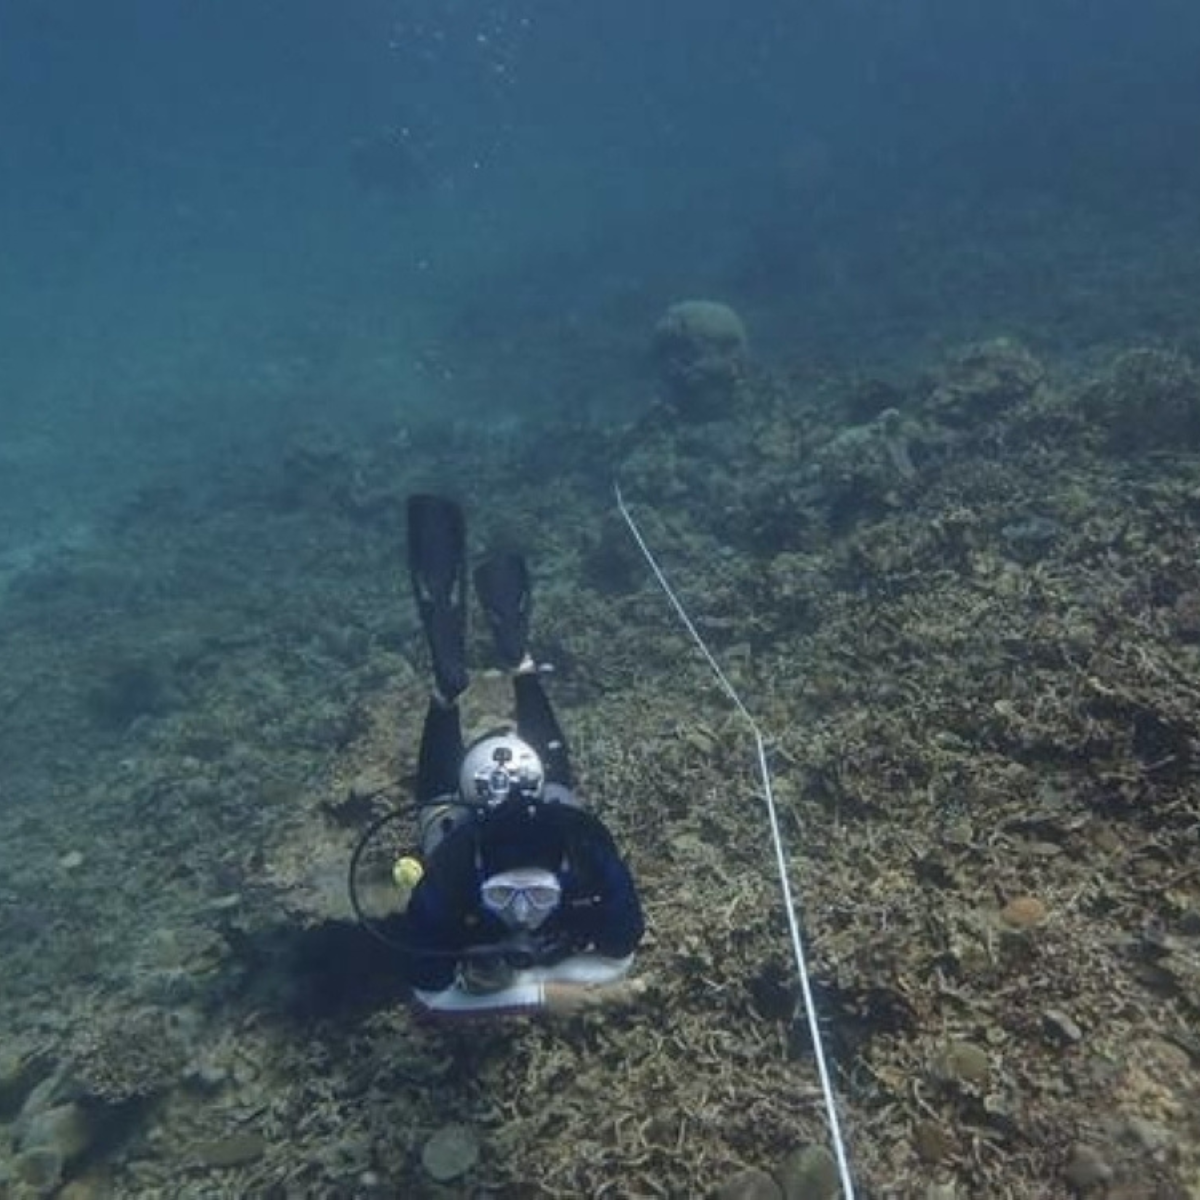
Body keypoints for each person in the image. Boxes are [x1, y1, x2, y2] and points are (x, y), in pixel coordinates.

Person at [394, 494, 645, 1017]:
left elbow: (622, 955)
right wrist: (543, 993)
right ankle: (516, 665)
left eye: (538, 897)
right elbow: (427, 996)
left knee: (499, 798)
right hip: (500, 813)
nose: (524, 914)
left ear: (565, 879)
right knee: (464, 810)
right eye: (506, 897)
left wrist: (514, 988)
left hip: (532, 811)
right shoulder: (456, 870)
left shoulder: (583, 855)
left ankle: (450, 689)